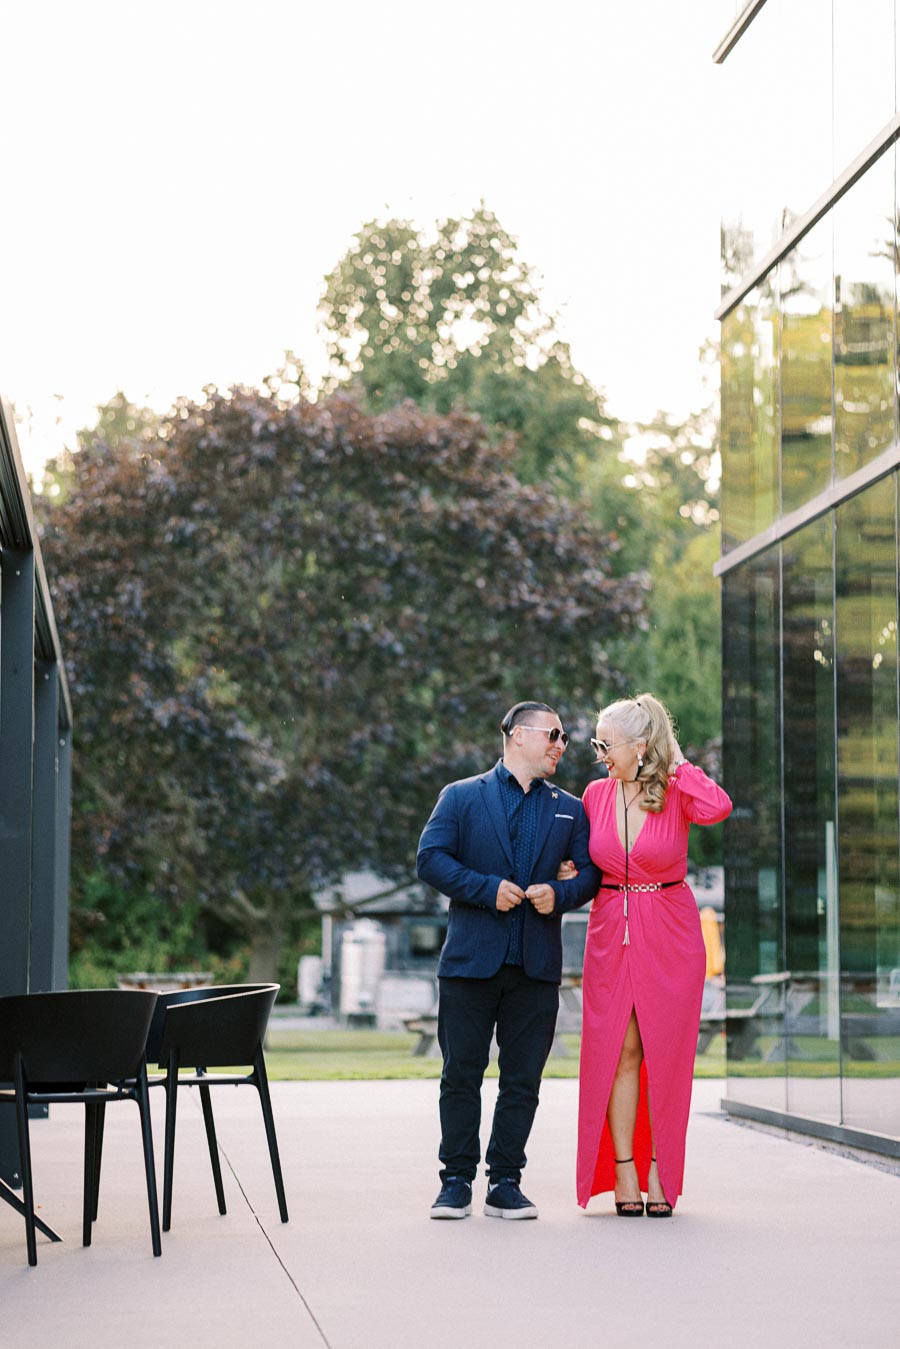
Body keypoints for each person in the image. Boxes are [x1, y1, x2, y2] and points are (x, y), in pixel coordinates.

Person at [416, 700, 600, 1221]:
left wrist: (560, 896)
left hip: (536, 969)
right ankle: (454, 1182)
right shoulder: (460, 796)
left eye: (565, 737)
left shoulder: (571, 807)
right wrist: (485, 889)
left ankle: (505, 1182)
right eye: (554, 734)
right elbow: (429, 860)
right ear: (519, 736)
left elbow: (590, 874)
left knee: (523, 1081)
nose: (562, 745)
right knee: (461, 1075)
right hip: (469, 964)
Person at [573, 693, 731, 1217]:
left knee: (666, 1051)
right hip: (609, 932)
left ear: (640, 745)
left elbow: (719, 807)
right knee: (620, 1050)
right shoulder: (596, 794)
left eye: (606, 743)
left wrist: (677, 760)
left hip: (669, 930)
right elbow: (581, 856)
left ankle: (661, 1172)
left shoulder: (677, 791)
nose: (599, 753)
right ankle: (623, 1174)